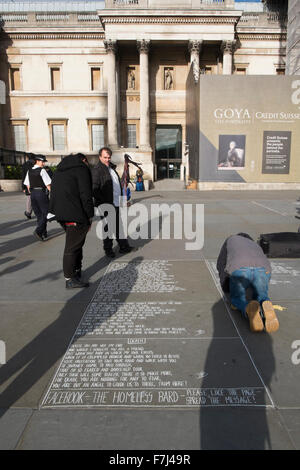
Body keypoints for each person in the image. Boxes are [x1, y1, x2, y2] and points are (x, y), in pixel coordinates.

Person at [217, 233, 279, 333]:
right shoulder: (253, 243)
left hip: (240, 268)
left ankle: (247, 309)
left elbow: (221, 262)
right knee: (261, 295)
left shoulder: (230, 239)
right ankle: (265, 305)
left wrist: (226, 286)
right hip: (263, 268)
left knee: (237, 298)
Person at [48, 153, 94, 289]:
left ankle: (76, 271)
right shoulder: (81, 169)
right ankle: (69, 278)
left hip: (61, 213)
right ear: (84, 160)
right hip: (76, 214)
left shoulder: (60, 171)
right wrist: (90, 216)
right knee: (72, 246)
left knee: (76, 243)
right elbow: (86, 195)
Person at [92, 147, 132, 258]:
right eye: (105, 157)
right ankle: (108, 250)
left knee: (119, 226)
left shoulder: (111, 169)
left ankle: (124, 246)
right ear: (100, 157)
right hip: (105, 204)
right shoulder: (97, 170)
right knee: (108, 228)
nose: (107, 159)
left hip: (115, 202)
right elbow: (94, 189)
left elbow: (118, 187)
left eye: (109, 157)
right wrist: (103, 203)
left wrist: (123, 202)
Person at [24, 154, 51, 241]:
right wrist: (53, 193)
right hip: (41, 193)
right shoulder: (42, 171)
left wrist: (32, 192)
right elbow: (48, 185)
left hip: (33, 193)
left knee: (39, 214)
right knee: (46, 213)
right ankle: (39, 231)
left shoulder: (29, 170)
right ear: (38, 161)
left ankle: (43, 232)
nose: (43, 163)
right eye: (42, 162)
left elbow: (27, 185)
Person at [21, 153, 35, 219]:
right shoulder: (35, 164)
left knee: (29, 199)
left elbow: (23, 176)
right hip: (36, 183)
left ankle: (28, 212)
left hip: (28, 184)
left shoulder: (25, 165)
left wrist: (23, 187)